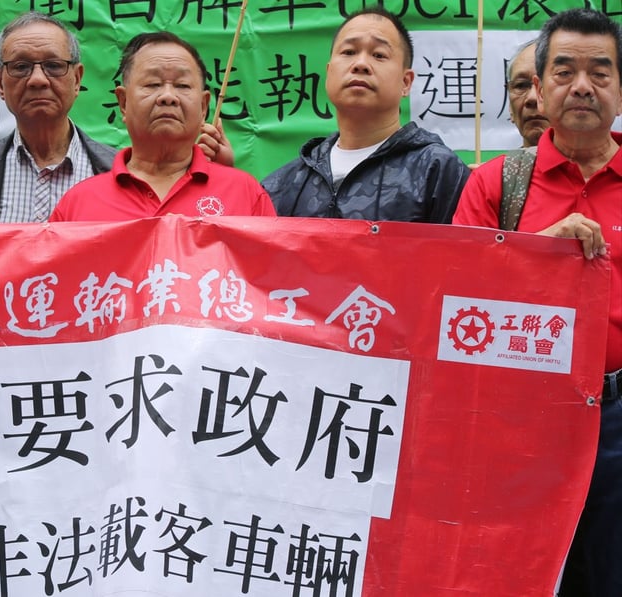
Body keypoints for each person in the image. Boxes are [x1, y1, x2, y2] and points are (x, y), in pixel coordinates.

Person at [452, 9, 621, 596]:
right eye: (565, 70)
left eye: (601, 72)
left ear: (620, 88)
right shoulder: (496, 183)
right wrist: (531, 254)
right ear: (540, 86)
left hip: (618, 416)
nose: (582, 86)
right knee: (517, 576)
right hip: (521, 418)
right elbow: (456, 304)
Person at [260, 6, 469, 223]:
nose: (360, 64)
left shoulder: (438, 171)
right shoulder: (285, 183)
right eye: (349, 52)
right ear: (329, 72)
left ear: (406, 82)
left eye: (379, 55)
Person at [49, 32, 275, 221]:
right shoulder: (79, 203)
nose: (168, 96)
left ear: (204, 106)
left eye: (182, 85)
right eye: (153, 84)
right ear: (123, 102)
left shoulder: (244, 194)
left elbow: (270, 272)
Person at [0, 12, 116, 223]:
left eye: (54, 65)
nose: (38, 80)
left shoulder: (118, 173)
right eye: (21, 67)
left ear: (77, 79)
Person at [506, 40, 550, 148]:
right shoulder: (500, 165)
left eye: (545, 84)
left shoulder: (596, 165)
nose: (532, 98)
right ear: (510, 109)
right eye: (521, 85)